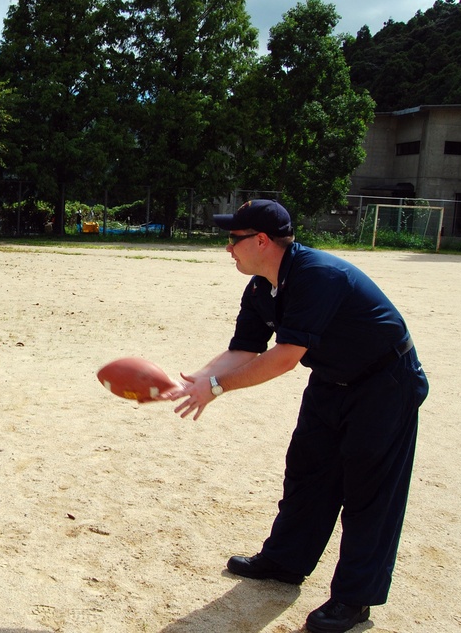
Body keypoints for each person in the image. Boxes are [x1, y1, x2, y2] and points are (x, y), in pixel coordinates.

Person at [160, 200, 428, 633]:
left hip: (385, 384)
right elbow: (245, 349)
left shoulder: (316, 276)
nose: (228, 248)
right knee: (308, 472)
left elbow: (284, 358)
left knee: (368, 493)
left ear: (261, 241)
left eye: (233, 239)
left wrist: (216, 388)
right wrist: (197, 379)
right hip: (330, 380)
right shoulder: (261, 287)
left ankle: (354, 600)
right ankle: (285, 561)